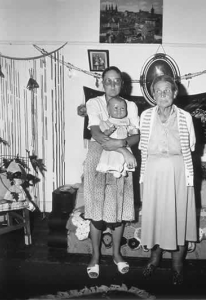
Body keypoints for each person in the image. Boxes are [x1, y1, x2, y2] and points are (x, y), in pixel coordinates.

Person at [139, 74, 198, 285]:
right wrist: (142, 181)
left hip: (178, 174)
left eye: (167, 91)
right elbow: (143, 151)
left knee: (179, 220)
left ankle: (178, 267)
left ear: (174, 93)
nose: (162, 94)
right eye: (158, 91)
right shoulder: (145, 116)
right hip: (153, 174)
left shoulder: (185, 117)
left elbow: (190, 147)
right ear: (152, 94)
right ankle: (153, 260)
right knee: (155, 218)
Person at [84, 66, 140, 279]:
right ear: (102, 82)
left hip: (121, 161)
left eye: (117, 81)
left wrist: (123, 143)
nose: (113, 85)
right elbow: (97, 132)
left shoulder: (131, 106)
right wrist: (123, 149)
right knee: (96, 208)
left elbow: (136, 135)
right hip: (98, 155)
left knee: (119, 207)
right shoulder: (94, 103)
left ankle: (117, 254)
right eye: (109, 81)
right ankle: (95, 257)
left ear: (122, 83)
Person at [96, 96, 139, 178]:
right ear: (108, 110)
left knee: (122, 158)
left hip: (123, 144)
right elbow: (102, 135)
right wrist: (108, 131)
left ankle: (123, 169)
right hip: (112, 146)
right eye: (116, 108)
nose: (119, 111)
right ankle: (116, 170)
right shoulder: (107, 122)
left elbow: (131, 130)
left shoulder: (126, 121)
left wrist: (133, 131)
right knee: (114, 158)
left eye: (122, 108)